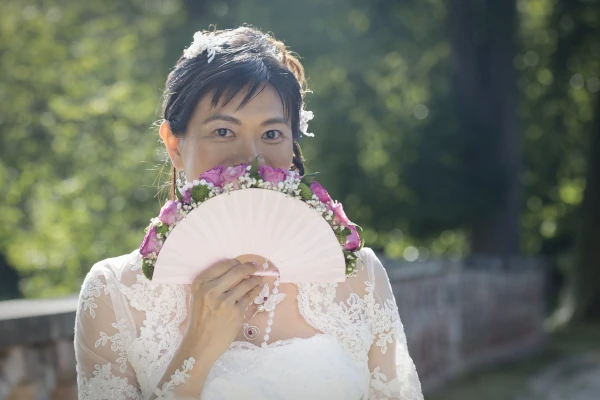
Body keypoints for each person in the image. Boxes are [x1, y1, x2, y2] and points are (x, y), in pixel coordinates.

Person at [74, 26, 424, 400]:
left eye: (272, 134)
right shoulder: (114, 293)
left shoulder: (358, 275)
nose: (250, 158)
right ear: (174, 144)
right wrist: (198, 348)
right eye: (223, 131)